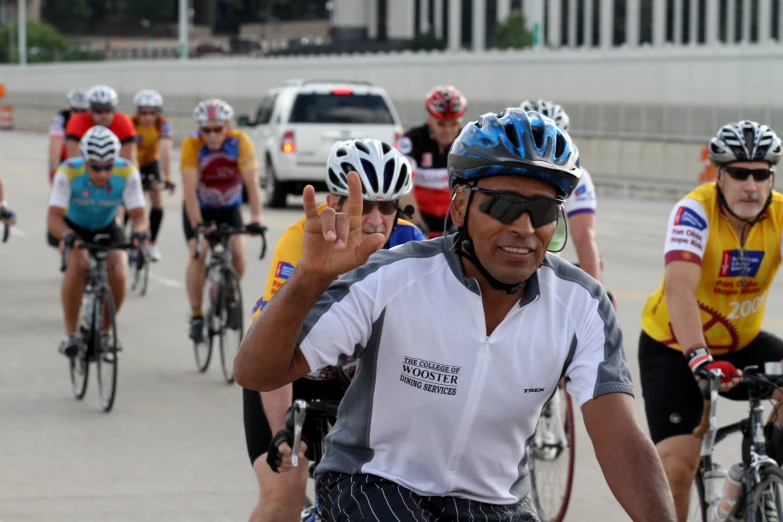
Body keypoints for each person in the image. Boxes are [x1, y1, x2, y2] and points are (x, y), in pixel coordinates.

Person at [236, 108, 676, 522]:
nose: (523, 227)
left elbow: (620, 439)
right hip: (374, 483)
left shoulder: (582, 306)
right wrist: (309, 279)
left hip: (496, 504)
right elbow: (257, 371)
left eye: (542, 211)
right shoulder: (394, 277)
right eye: (503, 206)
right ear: (461, 206)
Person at [242, 138, 424, 522]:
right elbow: (277, 344)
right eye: (364, 203)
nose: (375, 219)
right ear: (333, 201)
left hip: (360, 382)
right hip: (292, 376)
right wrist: (281, 431)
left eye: (387, 206)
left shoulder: (411, 242)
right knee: (283, 499)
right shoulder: (301, 241)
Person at [639, 120, 783, 521]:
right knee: (677, 468)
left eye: (761, 174)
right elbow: (679, 288)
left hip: (742, 345)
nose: (751, 186)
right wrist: (699, 359)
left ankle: (761, 472)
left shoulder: (781, 215)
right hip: (675, 348)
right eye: (739, 173)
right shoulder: (694, 211)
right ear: (719, 175)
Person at [47, 126, 149, 358]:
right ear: (84, 160)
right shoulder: (69, 171)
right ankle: (70, 334)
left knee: (120, 269)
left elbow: (140, 216)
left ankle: (104, 332)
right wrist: (68, 236)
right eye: (95, 166)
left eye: (107, 166)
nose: (102, 173)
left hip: (106, 225)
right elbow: (53, 216)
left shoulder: (126, 171)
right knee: (78, 262)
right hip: (73, 226)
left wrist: (139, 233)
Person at [520, 99, 617, 309]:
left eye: (550, 142)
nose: (542, 153)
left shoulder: (577, 177)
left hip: (544, 265)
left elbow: (584, 237)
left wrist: (595, 294)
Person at [182, 98, 264, 342]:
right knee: (200, 252)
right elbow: (189, 189)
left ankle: (229, 292)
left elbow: (252, 182)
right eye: (206, 130)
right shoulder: (192, 144)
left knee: (238, 250)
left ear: (227, 126)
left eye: (217, 129)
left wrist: (256, 218)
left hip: (229, 208)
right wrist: (198, 225)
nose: (212, 135)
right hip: (200, 209)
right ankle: (197, 315)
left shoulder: (240, 142)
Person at [397, 85, 467, 238]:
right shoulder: (413, 140)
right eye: (441, 124)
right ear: (430, 120)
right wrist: (417, 224)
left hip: (453, 216)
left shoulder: (467, 141)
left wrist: (462, 222)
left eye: (454, 123)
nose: (448, 130)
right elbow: (405, 188)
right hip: (419, 213)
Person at [132, 89, 174, 261]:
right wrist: (133, 178)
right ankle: (129, 242)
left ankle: (153, 243)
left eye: (152, 113)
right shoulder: (130, 122)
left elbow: (165, 152)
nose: (148, 117)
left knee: (156, 199)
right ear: (137, 112)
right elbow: (130, 151)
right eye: (144, 113)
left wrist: (167, 178)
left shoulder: (163, 124)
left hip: (150, 163)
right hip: (131, 161)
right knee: (130, 200)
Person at [65, 85, 138, 165]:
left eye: (108, 110)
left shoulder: (124, 121)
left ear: (114, 109)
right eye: (98, 111)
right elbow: (75, 160)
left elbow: (129, 160)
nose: (104, 115)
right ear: (90, 110)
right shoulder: (77, 122)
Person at [48, 88, 89, 184]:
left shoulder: (92, 119)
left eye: (83, 111)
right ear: (69, 108)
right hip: (64, 156)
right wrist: (55, 172)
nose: (78, 114)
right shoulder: (61, 118)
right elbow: (55, 145)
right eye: (75, 110)